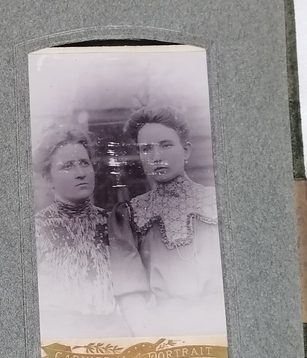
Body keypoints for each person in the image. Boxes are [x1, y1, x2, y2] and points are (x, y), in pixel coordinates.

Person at [109, 105, 226, 337]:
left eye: (166, 145)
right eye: (146, 149)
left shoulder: (218, 202)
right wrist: (151, 334)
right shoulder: (129, 215)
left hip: (221, 323)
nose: (156, 157)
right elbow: (131, 295)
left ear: (186, 150)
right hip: (164, 331)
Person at [33, 125, 129, 340]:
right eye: (67, 166)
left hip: (114, 337)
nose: (80, 173)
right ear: (48, 179)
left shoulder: (114, 223)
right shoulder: (37, 230)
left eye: (84, 163)